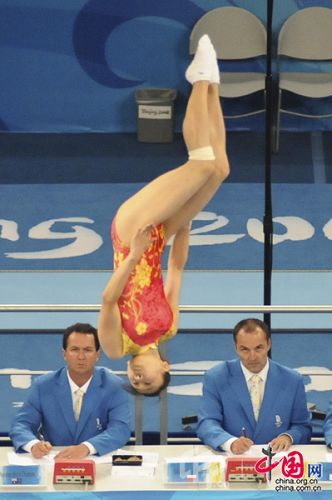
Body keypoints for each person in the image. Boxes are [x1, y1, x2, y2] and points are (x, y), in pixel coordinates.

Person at [98, 34, 230, 396]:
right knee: (219, 169)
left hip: (129, 238)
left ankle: (198, 78)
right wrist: (183, 227)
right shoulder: (169, 327)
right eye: (149, 381)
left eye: (134, 382)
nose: (138, 378)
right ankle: (212, 85)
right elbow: (178, 268)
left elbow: (109, 299)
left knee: (200, 164)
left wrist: (135, 255)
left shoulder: (115, 347)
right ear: (166, 367)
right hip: (159, 240)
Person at [10, 323, 131, 458]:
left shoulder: (115, 386)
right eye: (74, 349)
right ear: (64, 354)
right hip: (54, 460)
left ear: (97, 354)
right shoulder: (43, 385)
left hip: (98, 459)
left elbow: (121, 429)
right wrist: (33, 445)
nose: (81, 357)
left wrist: (87, 447)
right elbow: (21, 425)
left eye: (88, 350)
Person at [197, 318, 312, 454]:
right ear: (236, 348)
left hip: (278, 460)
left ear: (269, 344)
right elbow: (207, 423)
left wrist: (288, 437)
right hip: (232, 458)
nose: (252, 357)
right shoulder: (216, 377)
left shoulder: (292, 380)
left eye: (259, 348)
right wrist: (230, 442)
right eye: (244, 349)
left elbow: (303, 426)